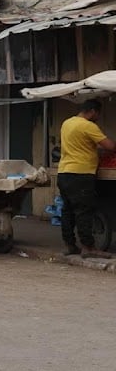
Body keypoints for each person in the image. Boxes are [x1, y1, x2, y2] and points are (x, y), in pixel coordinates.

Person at [58, 99, 116, 258]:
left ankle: (70, 245)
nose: (98, 116)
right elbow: (110, 146)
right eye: (98, 113)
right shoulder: (88, 126)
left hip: (64, 173)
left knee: (67, 211)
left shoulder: (67, 123)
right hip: (81, 174)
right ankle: (88, 247)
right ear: (92, 111)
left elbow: (80, 145)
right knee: (84, 211)